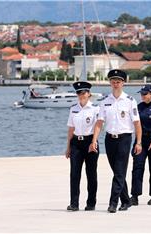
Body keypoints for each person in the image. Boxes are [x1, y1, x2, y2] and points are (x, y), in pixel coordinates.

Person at [90, 69, 142, 213]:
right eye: (113, 81)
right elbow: (99, 123)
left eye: (118, 81)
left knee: (119, 172)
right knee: (117, 172)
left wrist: (138, 142)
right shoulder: (105, 101)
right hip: (109, 139)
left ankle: (113, 203)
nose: (115, 84)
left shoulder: (130, 101)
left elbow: (137, 123)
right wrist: (94, 140)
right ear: (110, 83)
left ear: (123, 83)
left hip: (124, 138)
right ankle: (126, 200)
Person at [65, 81, 100, 211]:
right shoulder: (73, 109)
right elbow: (70, 129)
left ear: (89, 94)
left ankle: (91, 203)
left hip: (90, 142)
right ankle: (74, 203)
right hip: (76, 143)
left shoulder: (95, 108)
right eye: (78, 93)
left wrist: (94, 142)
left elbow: (98, 127)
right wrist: (68, 147)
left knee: (91, 174)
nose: (81, 95)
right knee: (74, 174)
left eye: (83, 92)